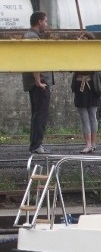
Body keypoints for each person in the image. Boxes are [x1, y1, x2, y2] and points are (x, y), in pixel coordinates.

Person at [22, 11, 53, 154]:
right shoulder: (33, 38)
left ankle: (35, 144)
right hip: (38, 83)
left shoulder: (29, 36)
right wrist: (38, 82)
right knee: (40, 114)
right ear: (39, 21)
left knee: (37, 114)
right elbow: (34, 61)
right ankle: (36, 145)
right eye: (45, 21)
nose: (46, 24)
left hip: (35, 83)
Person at [71, 32, 100, 154]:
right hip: (83, 87)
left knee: (90, 117)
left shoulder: (90, 54)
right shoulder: (87, 53)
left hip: (88, 87)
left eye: (82, 38)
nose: (79, 39)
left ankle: (91, 144)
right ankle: (90, 143)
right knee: (88, 117)